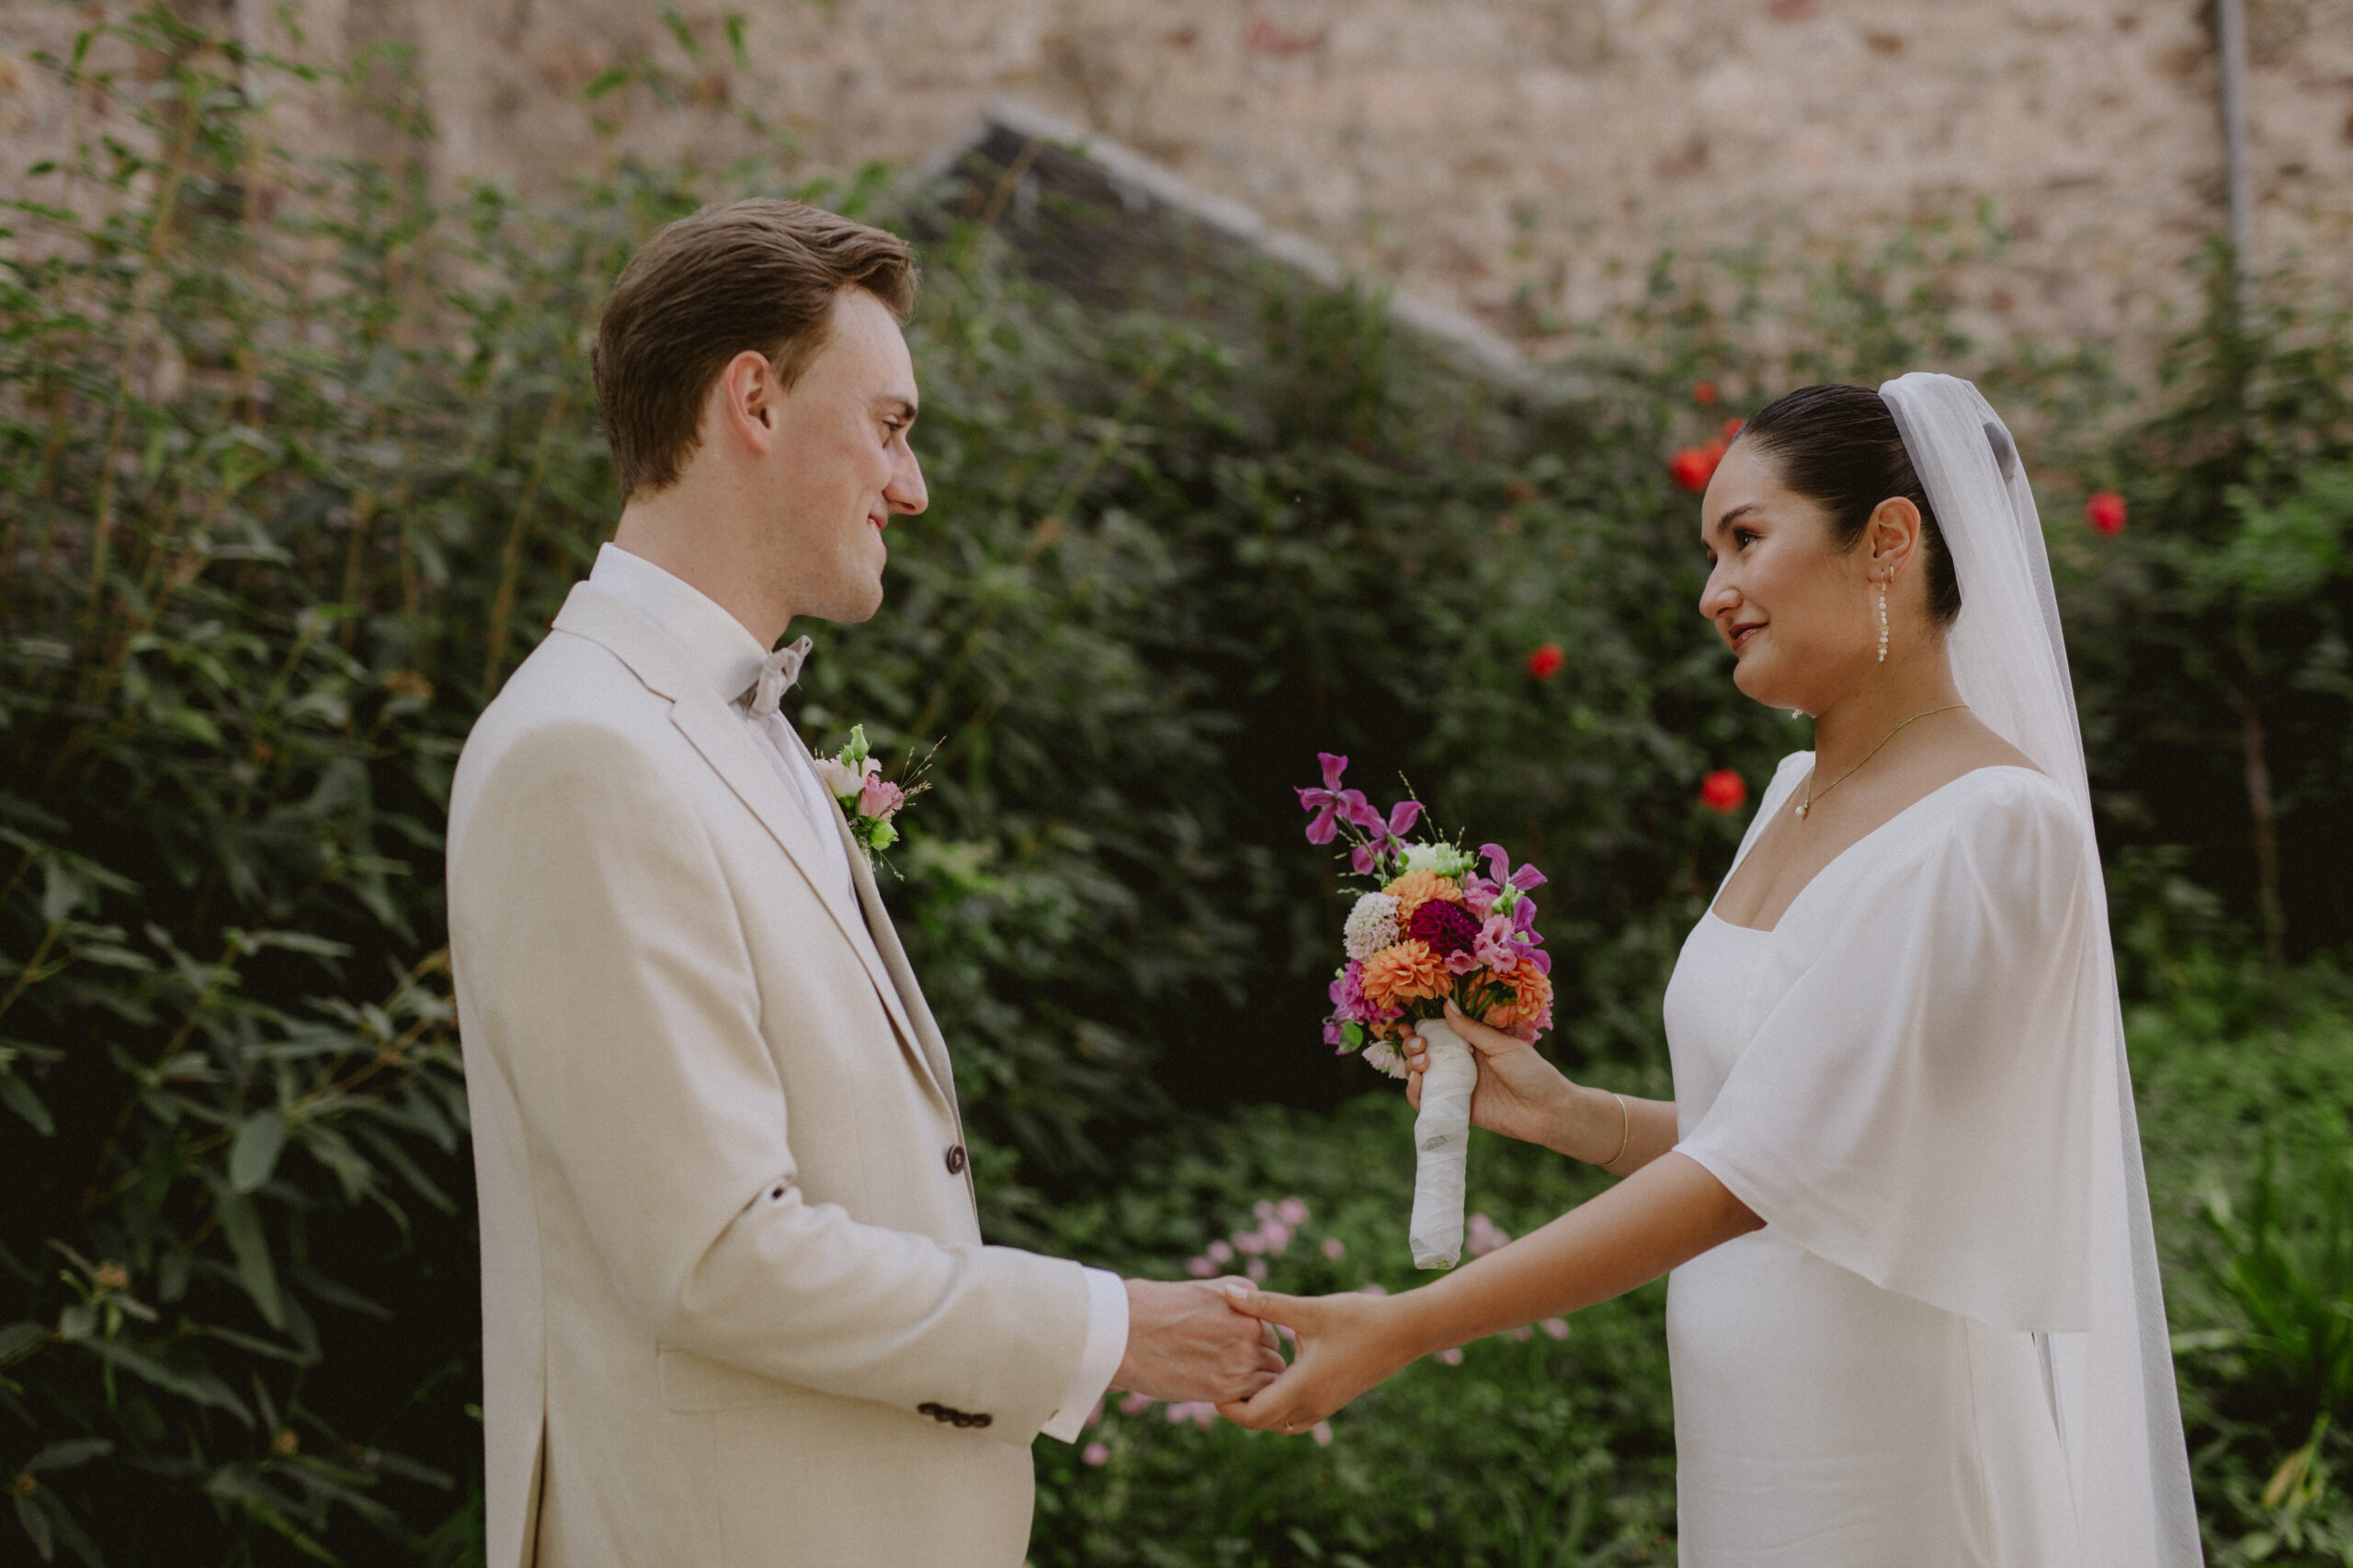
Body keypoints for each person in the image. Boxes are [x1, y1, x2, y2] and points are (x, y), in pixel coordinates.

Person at [1219, 378, 2202, 1567]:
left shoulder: (1993, 826)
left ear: (1886, 541)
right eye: (1710, 552)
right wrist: (1580, 1117)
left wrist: (1406, 1325)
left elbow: (1757, 1173)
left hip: (1889, 1451)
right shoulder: (1790, 796)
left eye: (1745, 538)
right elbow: (1808, 1131)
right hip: (1752, 1442)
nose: (1713, 592)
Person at [446, 199, 1280, 1568]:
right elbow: (717, 1255)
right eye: (890, 427)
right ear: (754, 402)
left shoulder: (726, 724)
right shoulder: (584, 754)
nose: (914, 486)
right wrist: (1113, 1330)